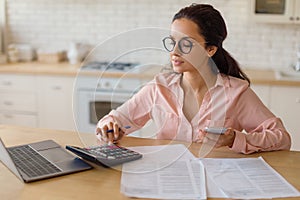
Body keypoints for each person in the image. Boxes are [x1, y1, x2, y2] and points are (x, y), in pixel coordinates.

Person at [96, 4, 291, 154]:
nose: (174, 52)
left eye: (186, 44)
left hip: (217, 180)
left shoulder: (236, 93)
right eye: (172, 42)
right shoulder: (159, 88)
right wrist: (109, 127)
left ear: (210, 50)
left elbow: (281, 138)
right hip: (167, 178)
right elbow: (116, 120)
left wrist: (234, 140)